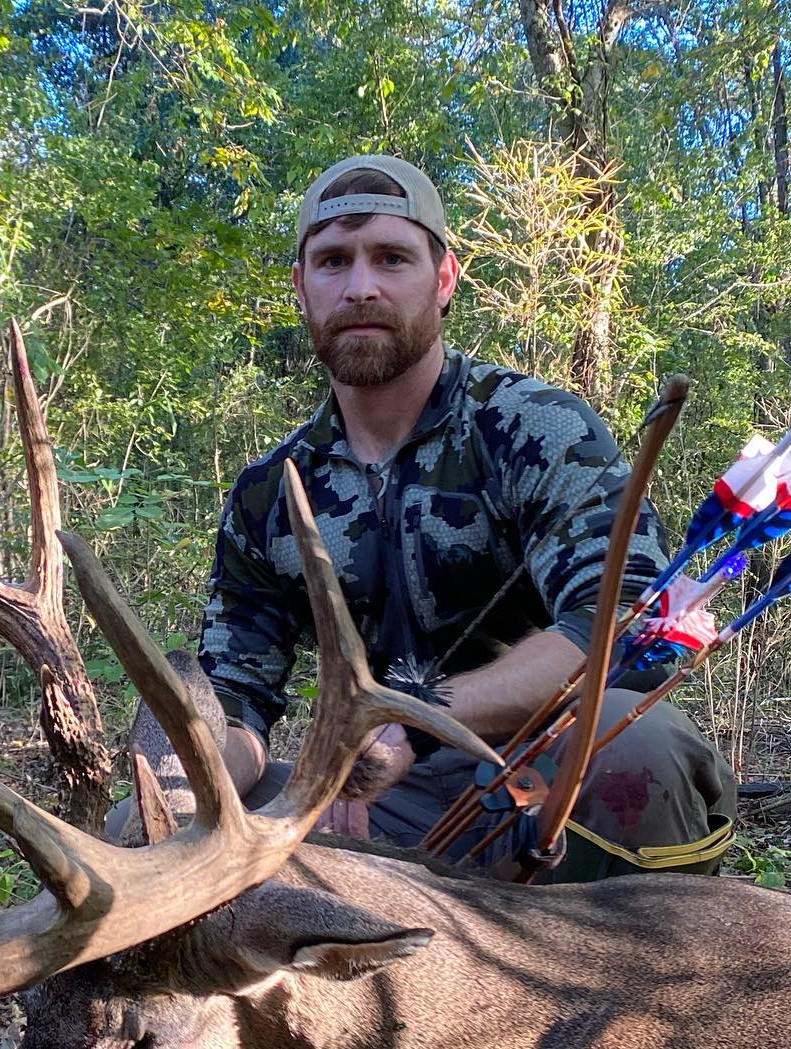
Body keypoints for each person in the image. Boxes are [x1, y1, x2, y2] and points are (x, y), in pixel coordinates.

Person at [197, 154, 737, 881]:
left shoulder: (537, 430)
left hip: (537, 781)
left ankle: (643, 979)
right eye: (332, 262)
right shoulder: (272, 490)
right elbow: (234, 693)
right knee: (163, 828)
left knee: (637, 748)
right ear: (302, 288)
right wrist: (188, 773)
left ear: (444, 278)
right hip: (371, 795)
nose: (360, 286)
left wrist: (414, 721)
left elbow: (626, 628)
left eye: (391, 258)